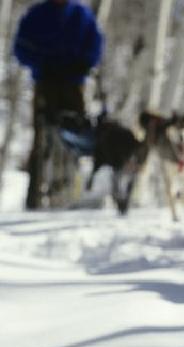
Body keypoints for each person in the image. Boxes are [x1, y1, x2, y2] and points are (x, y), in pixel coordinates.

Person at [13, 0, 103, 209]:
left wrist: (83, 64)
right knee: (42, 137)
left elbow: (96, 46)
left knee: (76, 136)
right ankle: (34, 198)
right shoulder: (37, 14)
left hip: (74, 85)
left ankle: (72, 191)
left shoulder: (82, 15)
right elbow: (21, 47)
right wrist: (41, 63)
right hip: (46, 82)